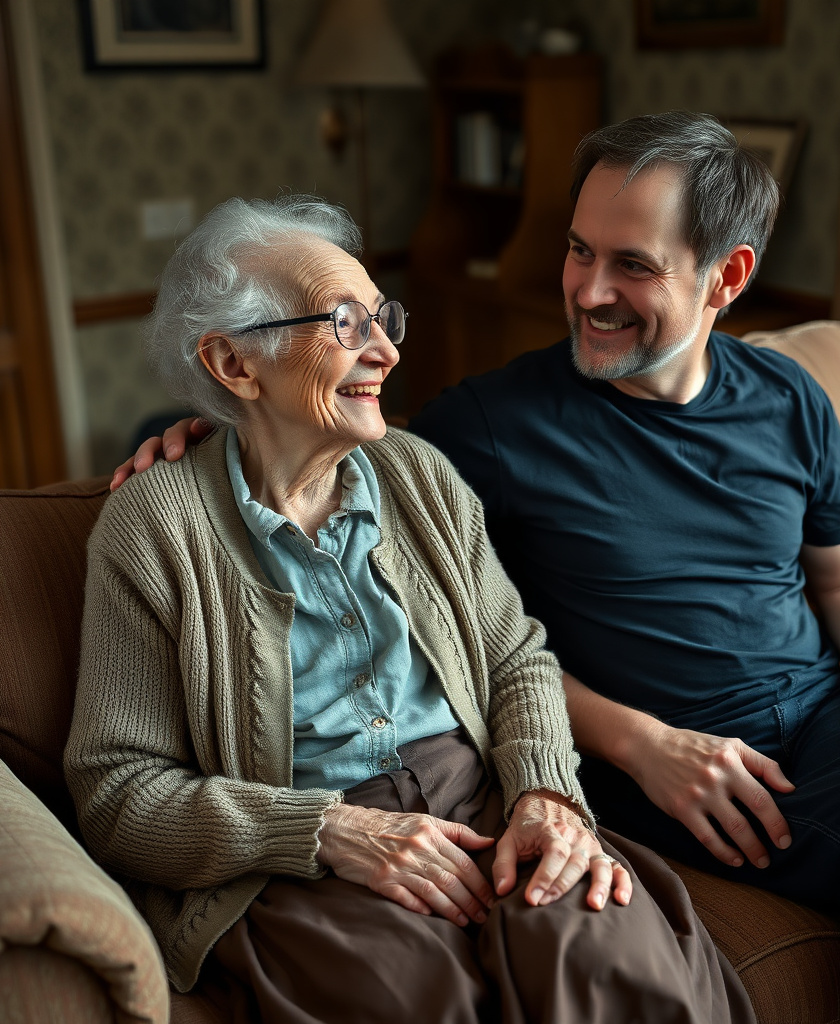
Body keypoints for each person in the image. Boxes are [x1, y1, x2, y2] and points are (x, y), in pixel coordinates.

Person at [121, 115, 840, 1023]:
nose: (589, 291)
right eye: (580, 252)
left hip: (819, 721)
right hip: (647, 756)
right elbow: (333, 453)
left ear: (725, 278)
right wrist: (206, 430)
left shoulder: (789, 396)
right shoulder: (495, 428)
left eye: (634, 266)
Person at [70, 193, 753, 1024]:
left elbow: (515, 659)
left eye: (383, 317)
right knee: (423, 1003)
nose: (387, 350)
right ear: (235, 366)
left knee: (614, 968)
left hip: (485, 796)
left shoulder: (420, 476)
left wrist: (545, 789)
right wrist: (326, 833)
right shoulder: (152, 530)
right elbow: (118, 792)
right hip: (301, 849)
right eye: (347, 323)